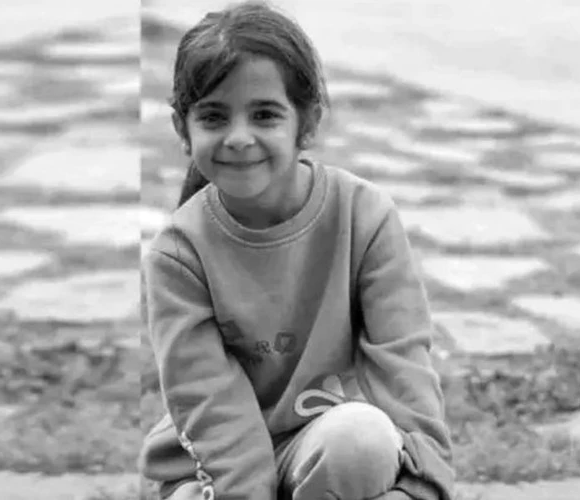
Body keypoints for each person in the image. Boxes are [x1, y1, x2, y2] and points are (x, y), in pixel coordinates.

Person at [138, 2, 454, 499]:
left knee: (362, 438)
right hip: (215, 475)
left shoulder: (364, 217)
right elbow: (209, 403)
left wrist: (421, 487)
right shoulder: (178, 255)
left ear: (307, 123)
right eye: (214, 117)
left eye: (265, 115)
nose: (238, 138)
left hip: (325, 452)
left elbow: (403, 364)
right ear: (183, 129)